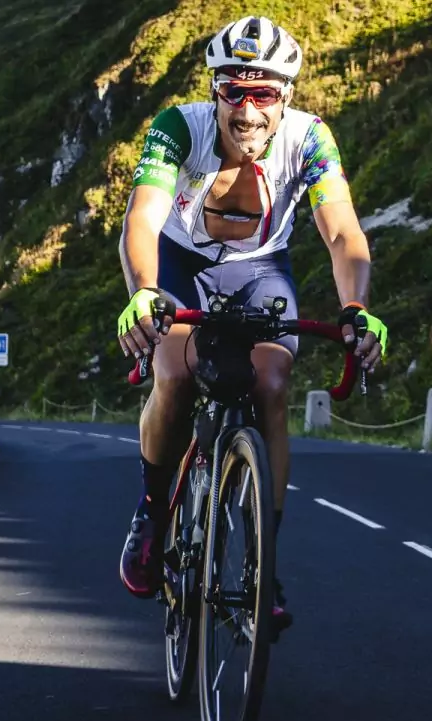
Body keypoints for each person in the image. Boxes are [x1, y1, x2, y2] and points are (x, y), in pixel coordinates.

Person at [113, 16, 389, 634]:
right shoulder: (178, 128)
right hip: (181, 263)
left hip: (261, 269)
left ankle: (263, 561)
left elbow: (342, 232)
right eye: (233, 91)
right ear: (214, 89)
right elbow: (143, 218)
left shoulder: (310, 138)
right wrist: (144, 292)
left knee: (270, 384)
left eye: (263, 93)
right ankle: (152, 512)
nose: (247, 110)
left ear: (285, 95)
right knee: (173, 374)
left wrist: (356, 307)